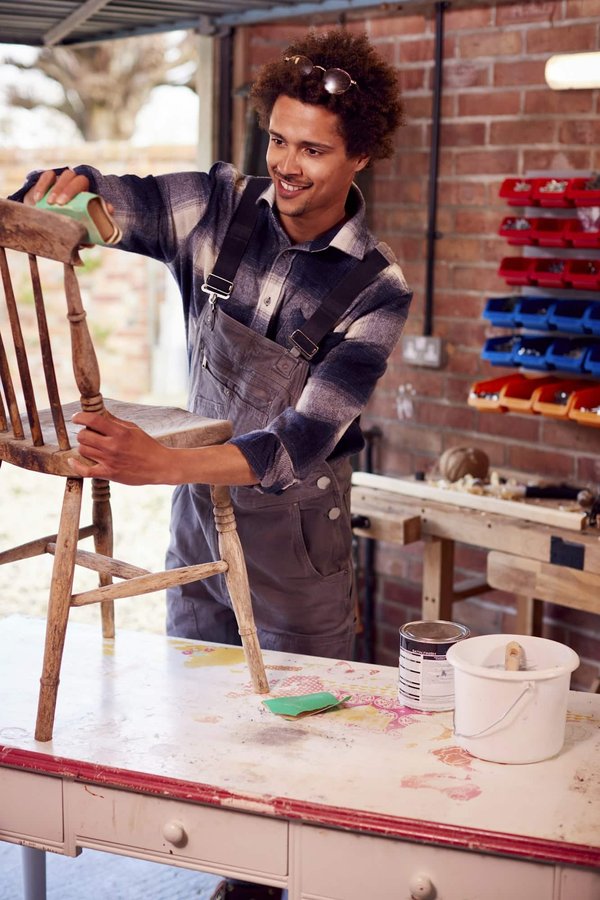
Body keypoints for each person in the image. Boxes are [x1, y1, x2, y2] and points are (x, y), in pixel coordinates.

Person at [14, 28, 410, 898]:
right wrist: (70, 195)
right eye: (277, 140)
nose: (287, 165)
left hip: (295, 530)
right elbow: (111, 199)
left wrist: (159, 463)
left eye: (313, 149)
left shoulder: (376, 289)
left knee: (298, 738)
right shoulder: (219, 206)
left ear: (362, 159)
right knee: (199, 710)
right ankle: (223, 877)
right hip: (200, 509)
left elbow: (305, 440)